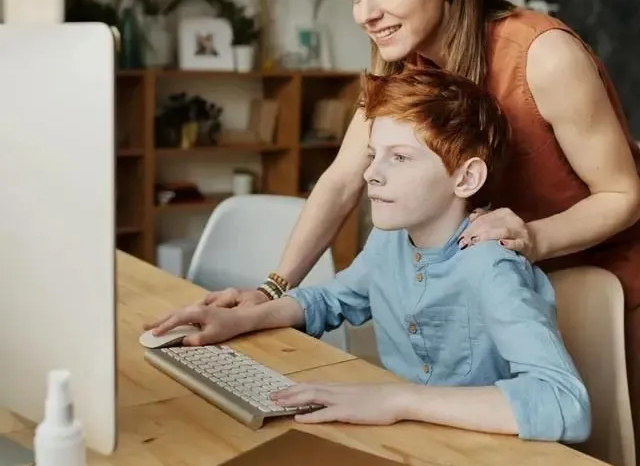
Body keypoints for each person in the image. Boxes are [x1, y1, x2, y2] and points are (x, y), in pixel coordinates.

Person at [203, 0, 640, 462]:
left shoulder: (544, 54)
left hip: (597, 285)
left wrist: (535, 238)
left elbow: (623, 194)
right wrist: (268, 292)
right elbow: (340, 180)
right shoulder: (401, 63)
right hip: (498, 286)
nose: (366, 13)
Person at [147, 69, 590, 442]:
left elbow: (563, 402)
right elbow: (334, 298)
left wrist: (397, 398)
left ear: (466, 177)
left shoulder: (490, 265)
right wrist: (245, 317)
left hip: (492, 458)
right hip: (416, 439)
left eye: (399, 158)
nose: (371, 174)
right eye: (374, 154)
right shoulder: (390, 242)